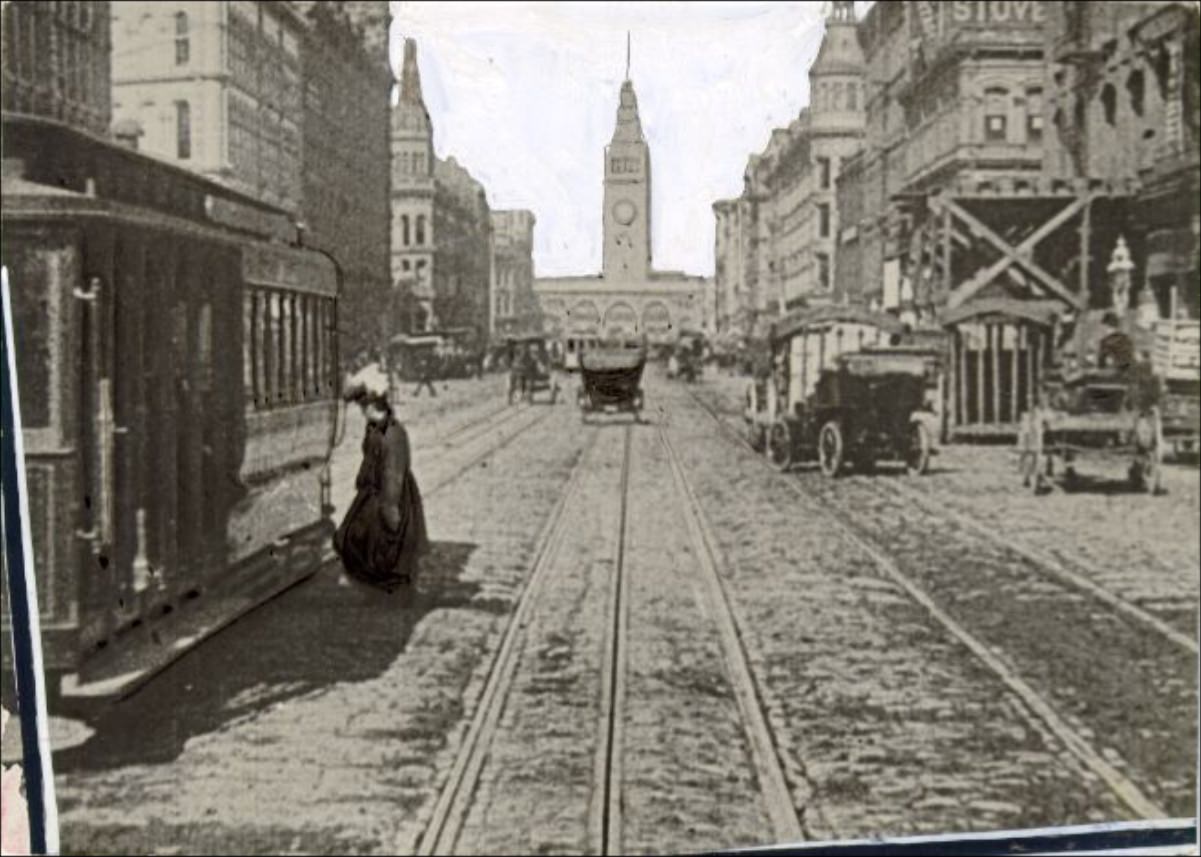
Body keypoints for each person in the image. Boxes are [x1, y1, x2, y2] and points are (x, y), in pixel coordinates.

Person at [334, 380, 431, 592]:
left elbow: (393, 474)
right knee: (354, 538)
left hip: (388, 494)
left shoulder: (392, 434)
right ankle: (377, 582)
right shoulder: (376, 428)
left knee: (380, 541)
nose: (361, 412)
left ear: (371, 407)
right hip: (374, 490)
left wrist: (391, 511)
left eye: (363, 407)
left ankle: (389, 587)